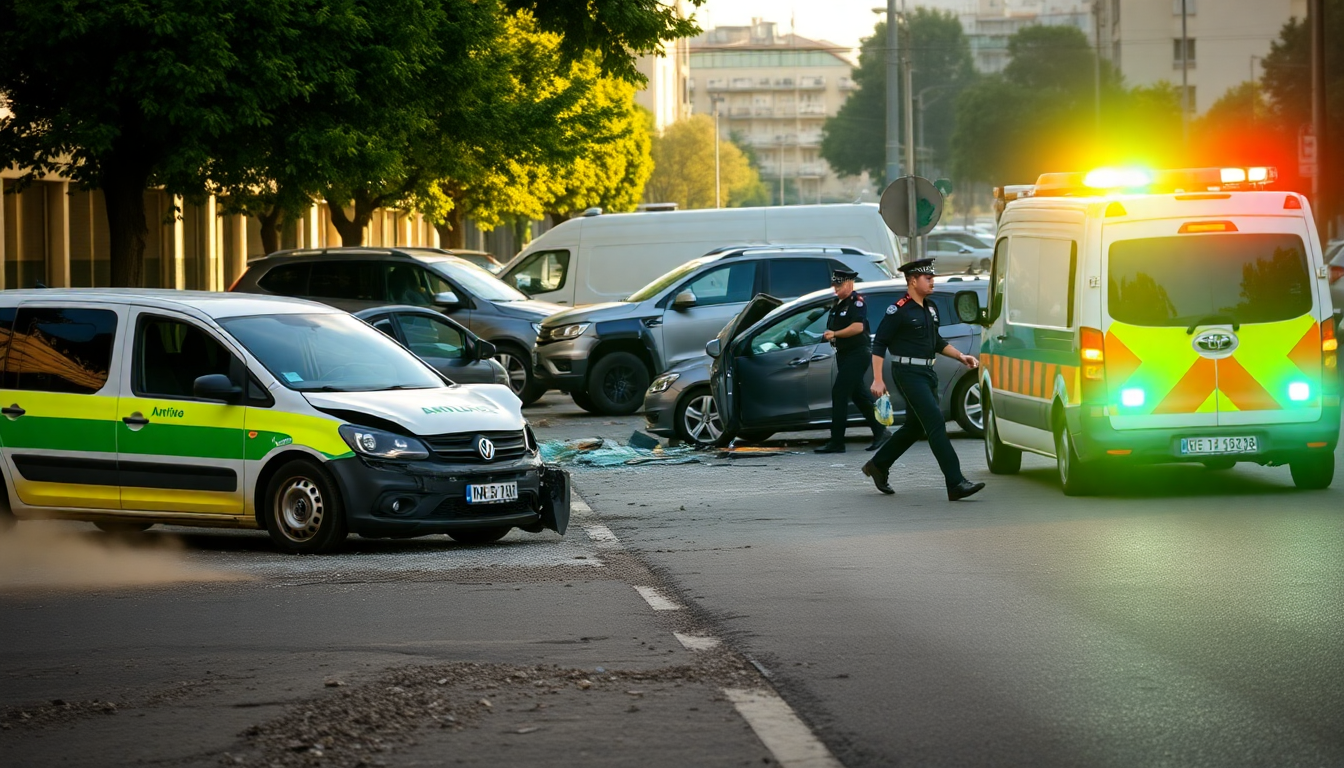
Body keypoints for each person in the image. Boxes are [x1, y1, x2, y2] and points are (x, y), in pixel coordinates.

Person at [861, 258, 986, 501]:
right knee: (936, 424)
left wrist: (961, 356)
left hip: (927, 373)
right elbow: (879, 343)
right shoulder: (898, 310)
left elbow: (936, 342)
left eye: (932, 277)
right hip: (907, 374)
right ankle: (955, 482)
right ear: (912, 281)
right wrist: (877, 379)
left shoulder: (930, 308)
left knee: (914, 427)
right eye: (927, 278)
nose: (932, 281)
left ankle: (878, 465)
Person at [815, 269, 890, 453]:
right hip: (844, 354)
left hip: (857, 354)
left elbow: (857, 327)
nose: (836, 288)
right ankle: (881, 430)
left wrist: (835, 334)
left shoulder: (856, 303)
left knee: (839, 393)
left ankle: (837, 442)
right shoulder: (838, 303)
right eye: (834, 285)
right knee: (859, 395)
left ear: (849, 284)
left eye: (839, 285)